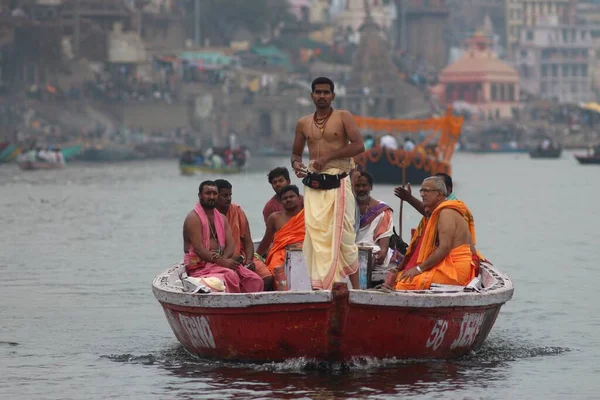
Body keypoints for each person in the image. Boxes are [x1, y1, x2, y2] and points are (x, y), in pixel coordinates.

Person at [291, 76, 365, 290]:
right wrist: (296, 164)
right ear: (312, 95)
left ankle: (357, 291)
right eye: (318, 92)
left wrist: (329, 157)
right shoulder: (303, 123)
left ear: (333, 96)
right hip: (314, 185)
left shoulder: (343, 117)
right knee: (315, 237)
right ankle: (321, 288)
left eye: (326, 92)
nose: (322, 96)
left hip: (339, 182)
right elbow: (296, 153)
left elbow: (359, 145)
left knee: (344, 238)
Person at [395, 176, 477, 290]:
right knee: (401, 277)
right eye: (421, 191)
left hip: (456, 270)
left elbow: (444, 248)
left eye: (426, 191)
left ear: (439, 194)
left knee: (405, 283)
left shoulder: (446, 213)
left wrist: (419, 269)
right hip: (448, 266)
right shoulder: (438, 212)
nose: (422, 194)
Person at [182, 181, 264, 293]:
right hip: (199, 265)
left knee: (255, 280)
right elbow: (199, 249)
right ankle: (233, 307)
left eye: (214, 194)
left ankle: (248, 308)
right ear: (200, 195)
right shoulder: (193, 218)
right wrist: (222, 262)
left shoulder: (221, 218)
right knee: (231, 275)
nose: (211, 197)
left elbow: (231, 245)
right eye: (208, 193)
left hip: (218, 262)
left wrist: (223, 261)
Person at [214, 179, 273, 290]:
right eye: (224, 195)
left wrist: (249, 260)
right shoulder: (209, 215)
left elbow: (248, 241)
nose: (228, 198)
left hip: (242, 257)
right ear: (216, 196)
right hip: (221, 260)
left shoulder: (237, 210)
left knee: (268, 277)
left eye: (230, 195)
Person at [256, 185, 305, 289]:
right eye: (285, 198)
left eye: (291, 197)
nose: (288, 200)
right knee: (275, 268)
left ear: (299, 198)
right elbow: (266, 240)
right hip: (280, 252)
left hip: (305, 250)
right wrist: (256, 256)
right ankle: (282, 294)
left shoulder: (308, 214)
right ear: (281, 202)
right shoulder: (275, 217)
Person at [353, 171, 397, 272]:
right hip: (351, 250)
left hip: (373, 249)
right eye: (357, 185)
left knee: (385, 259)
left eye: (364, 185)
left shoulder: (382, 209)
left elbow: (384, 234)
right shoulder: (346, 206)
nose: (361, 189)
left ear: (371, 187)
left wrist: (383, 251)